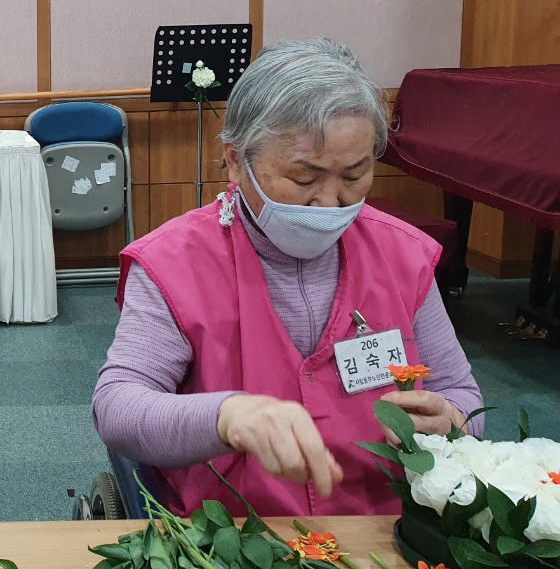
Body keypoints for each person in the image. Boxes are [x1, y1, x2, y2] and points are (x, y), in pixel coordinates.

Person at [93, 39, 483, 517]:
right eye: (304, 179)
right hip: (236, 530)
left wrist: (452, 420)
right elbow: (118, 407)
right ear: (236, 161)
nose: (331, 202)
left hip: (385, 528)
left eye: (355, 175)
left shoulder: (402, 255)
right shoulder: (174, 263)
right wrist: (227, 416)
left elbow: (462, 397)